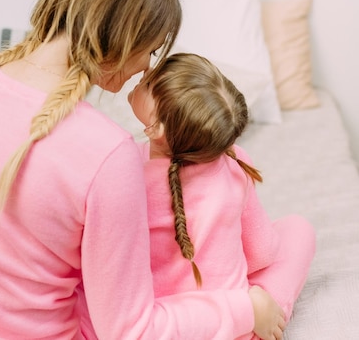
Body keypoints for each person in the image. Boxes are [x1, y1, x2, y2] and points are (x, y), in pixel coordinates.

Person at [0, 0, 285, 340]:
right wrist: (244, 309)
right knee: (283, 259)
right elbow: (132, 333)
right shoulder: (107, 154)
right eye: (152, 50)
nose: (147, 67)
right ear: (125, 39)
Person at [128, 52, 316, 340]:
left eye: (151, 82)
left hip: (168, 325)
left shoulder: (126, 172)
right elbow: (262, 252)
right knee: (297, 229)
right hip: (238, 326)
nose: (145, 72)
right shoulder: (235, 161)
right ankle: (268, 319)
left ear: (155, 127)